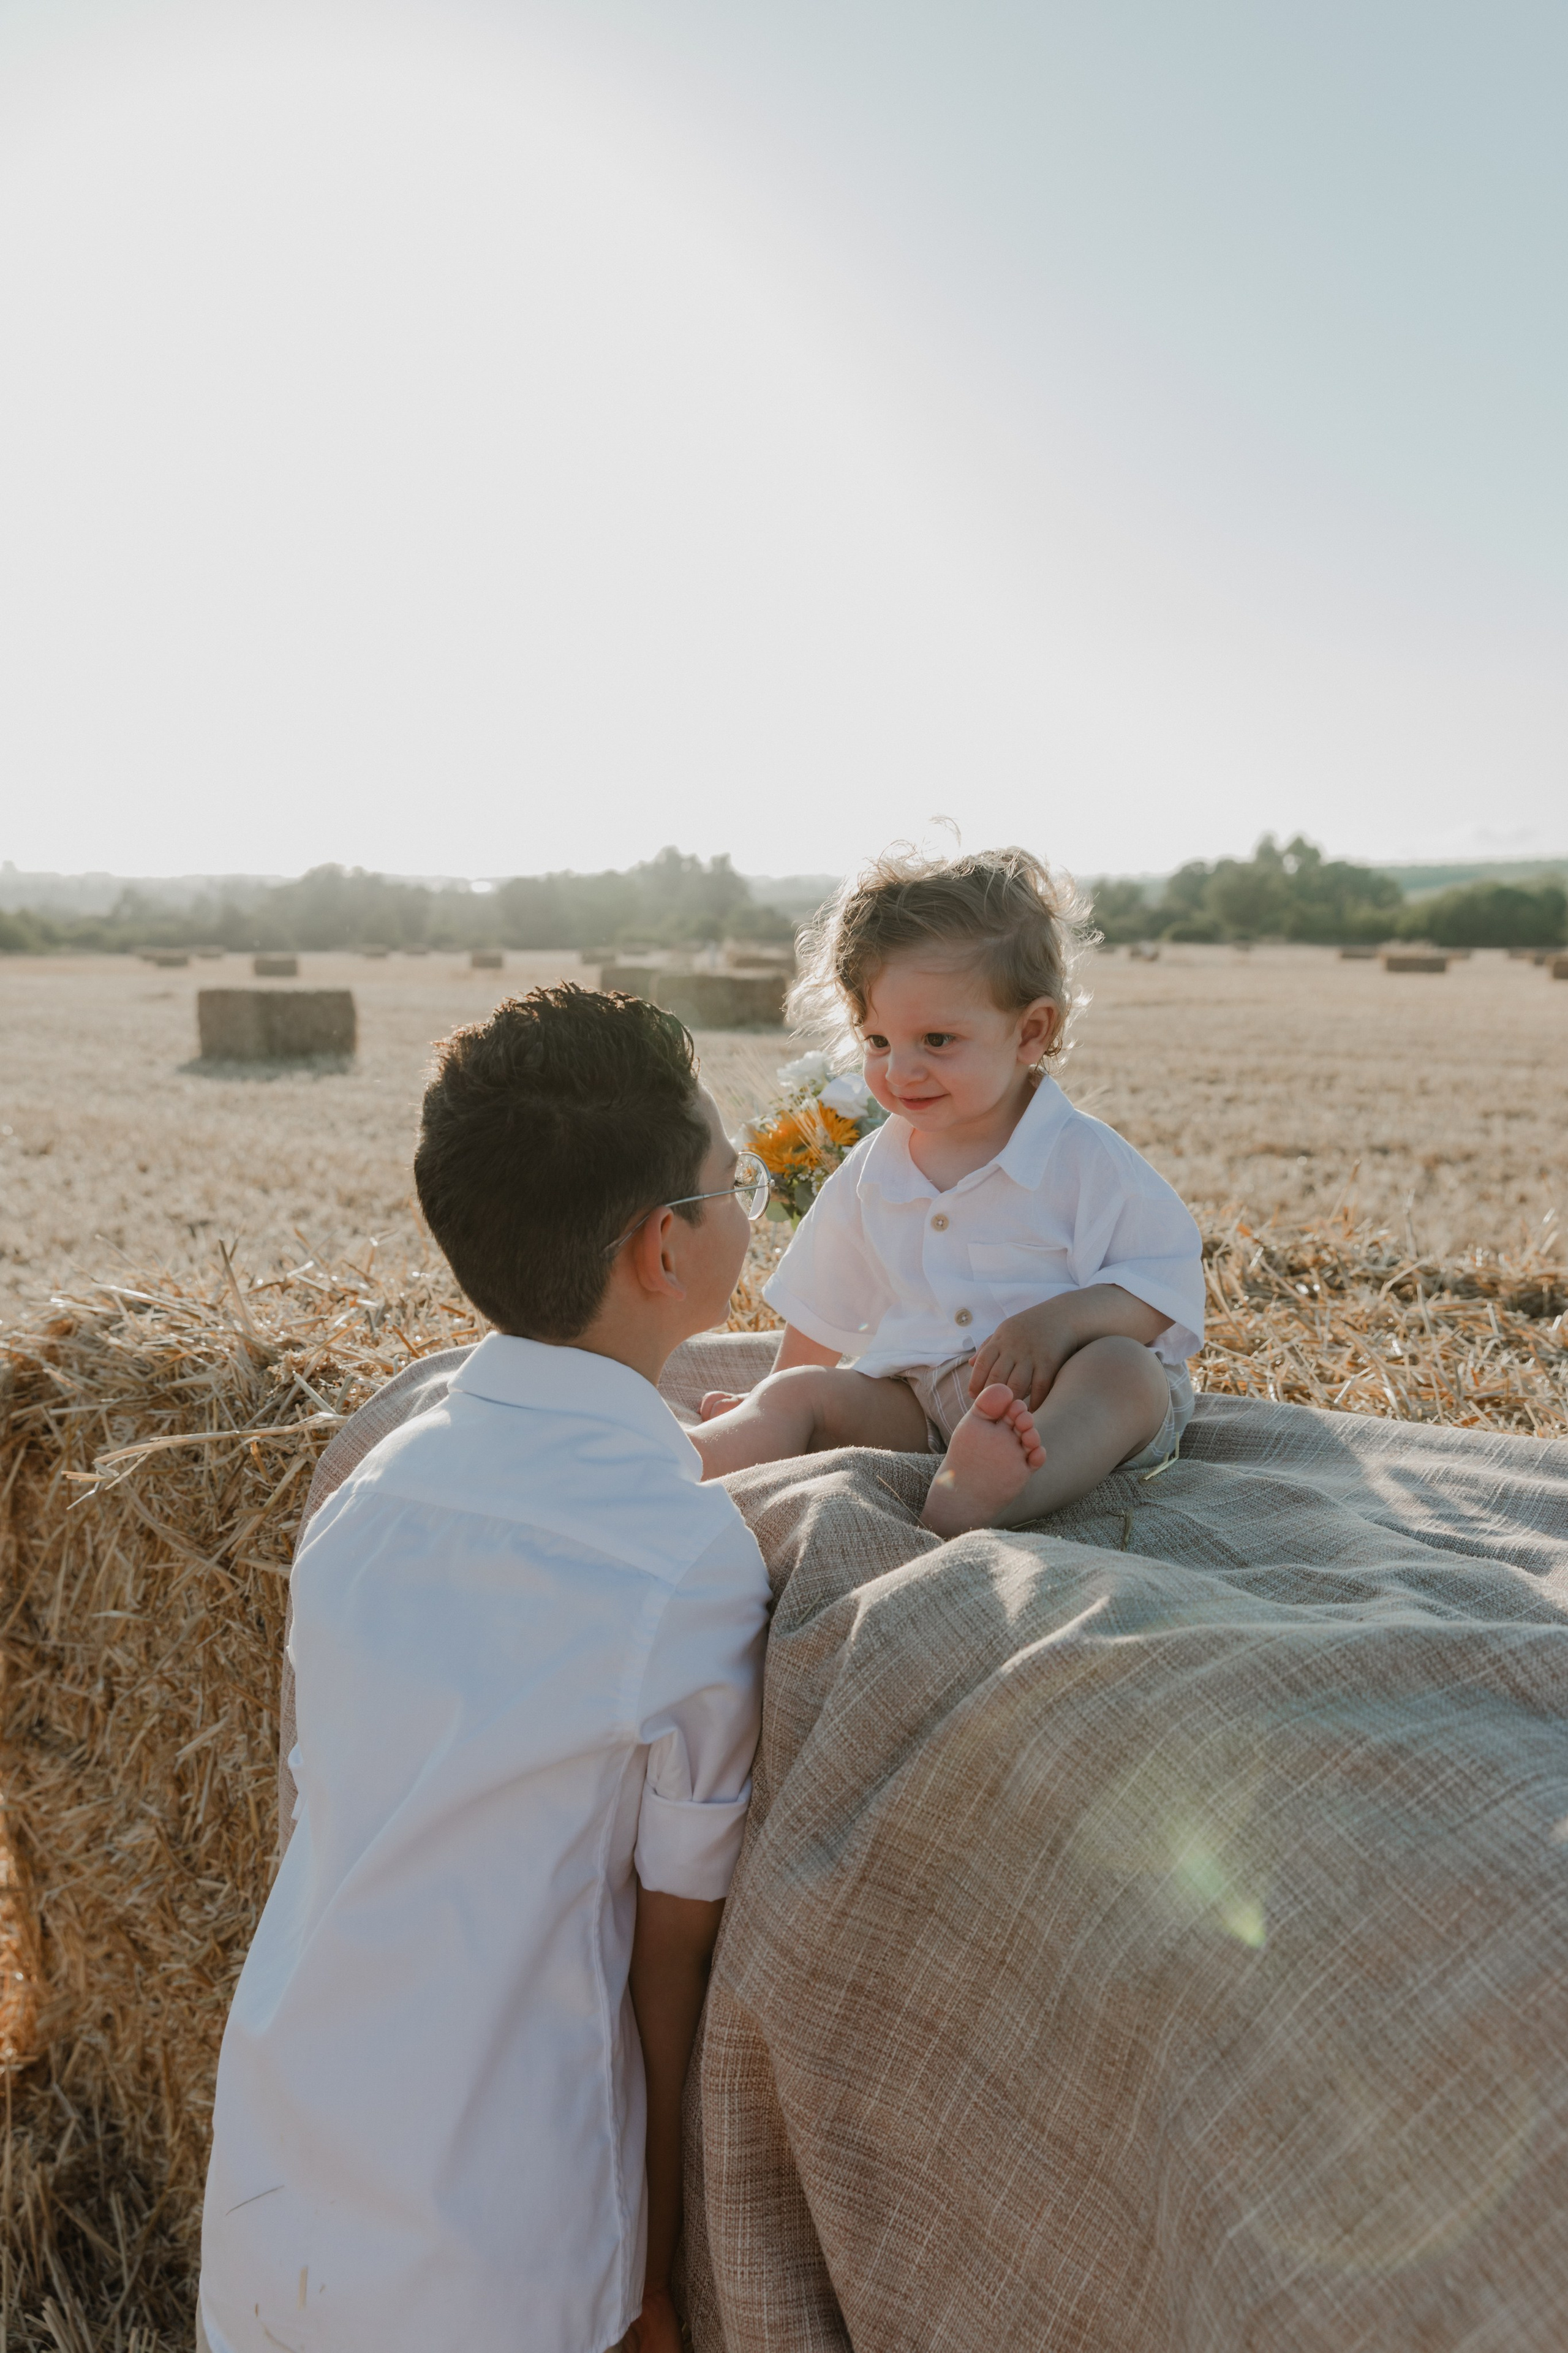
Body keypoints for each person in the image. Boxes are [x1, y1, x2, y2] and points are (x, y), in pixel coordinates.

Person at [197, 988, 773, 2353]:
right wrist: (659, 2271)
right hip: (490, 2229)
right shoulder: (681, 1561)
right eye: (731, 1181)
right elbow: (672, 1958)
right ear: (664, 1248)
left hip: (281, 2151)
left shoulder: (376, 1482)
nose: (747, 1205)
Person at [693, 846, 1205, 1536]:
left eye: (935, 1039)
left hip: (1064, 1401)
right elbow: (823, 1296)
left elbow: (1159, 1286)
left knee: (1124, 1373)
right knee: (797, 1393)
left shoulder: (1083, 1159)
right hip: (922, 1399)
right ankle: (691, 1465)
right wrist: (775, 1392)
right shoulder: (876, 1168)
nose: (900, 1071)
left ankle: (999, 1493)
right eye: (877, 1040)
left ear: (1030, 1031)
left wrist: (1057, 1325)